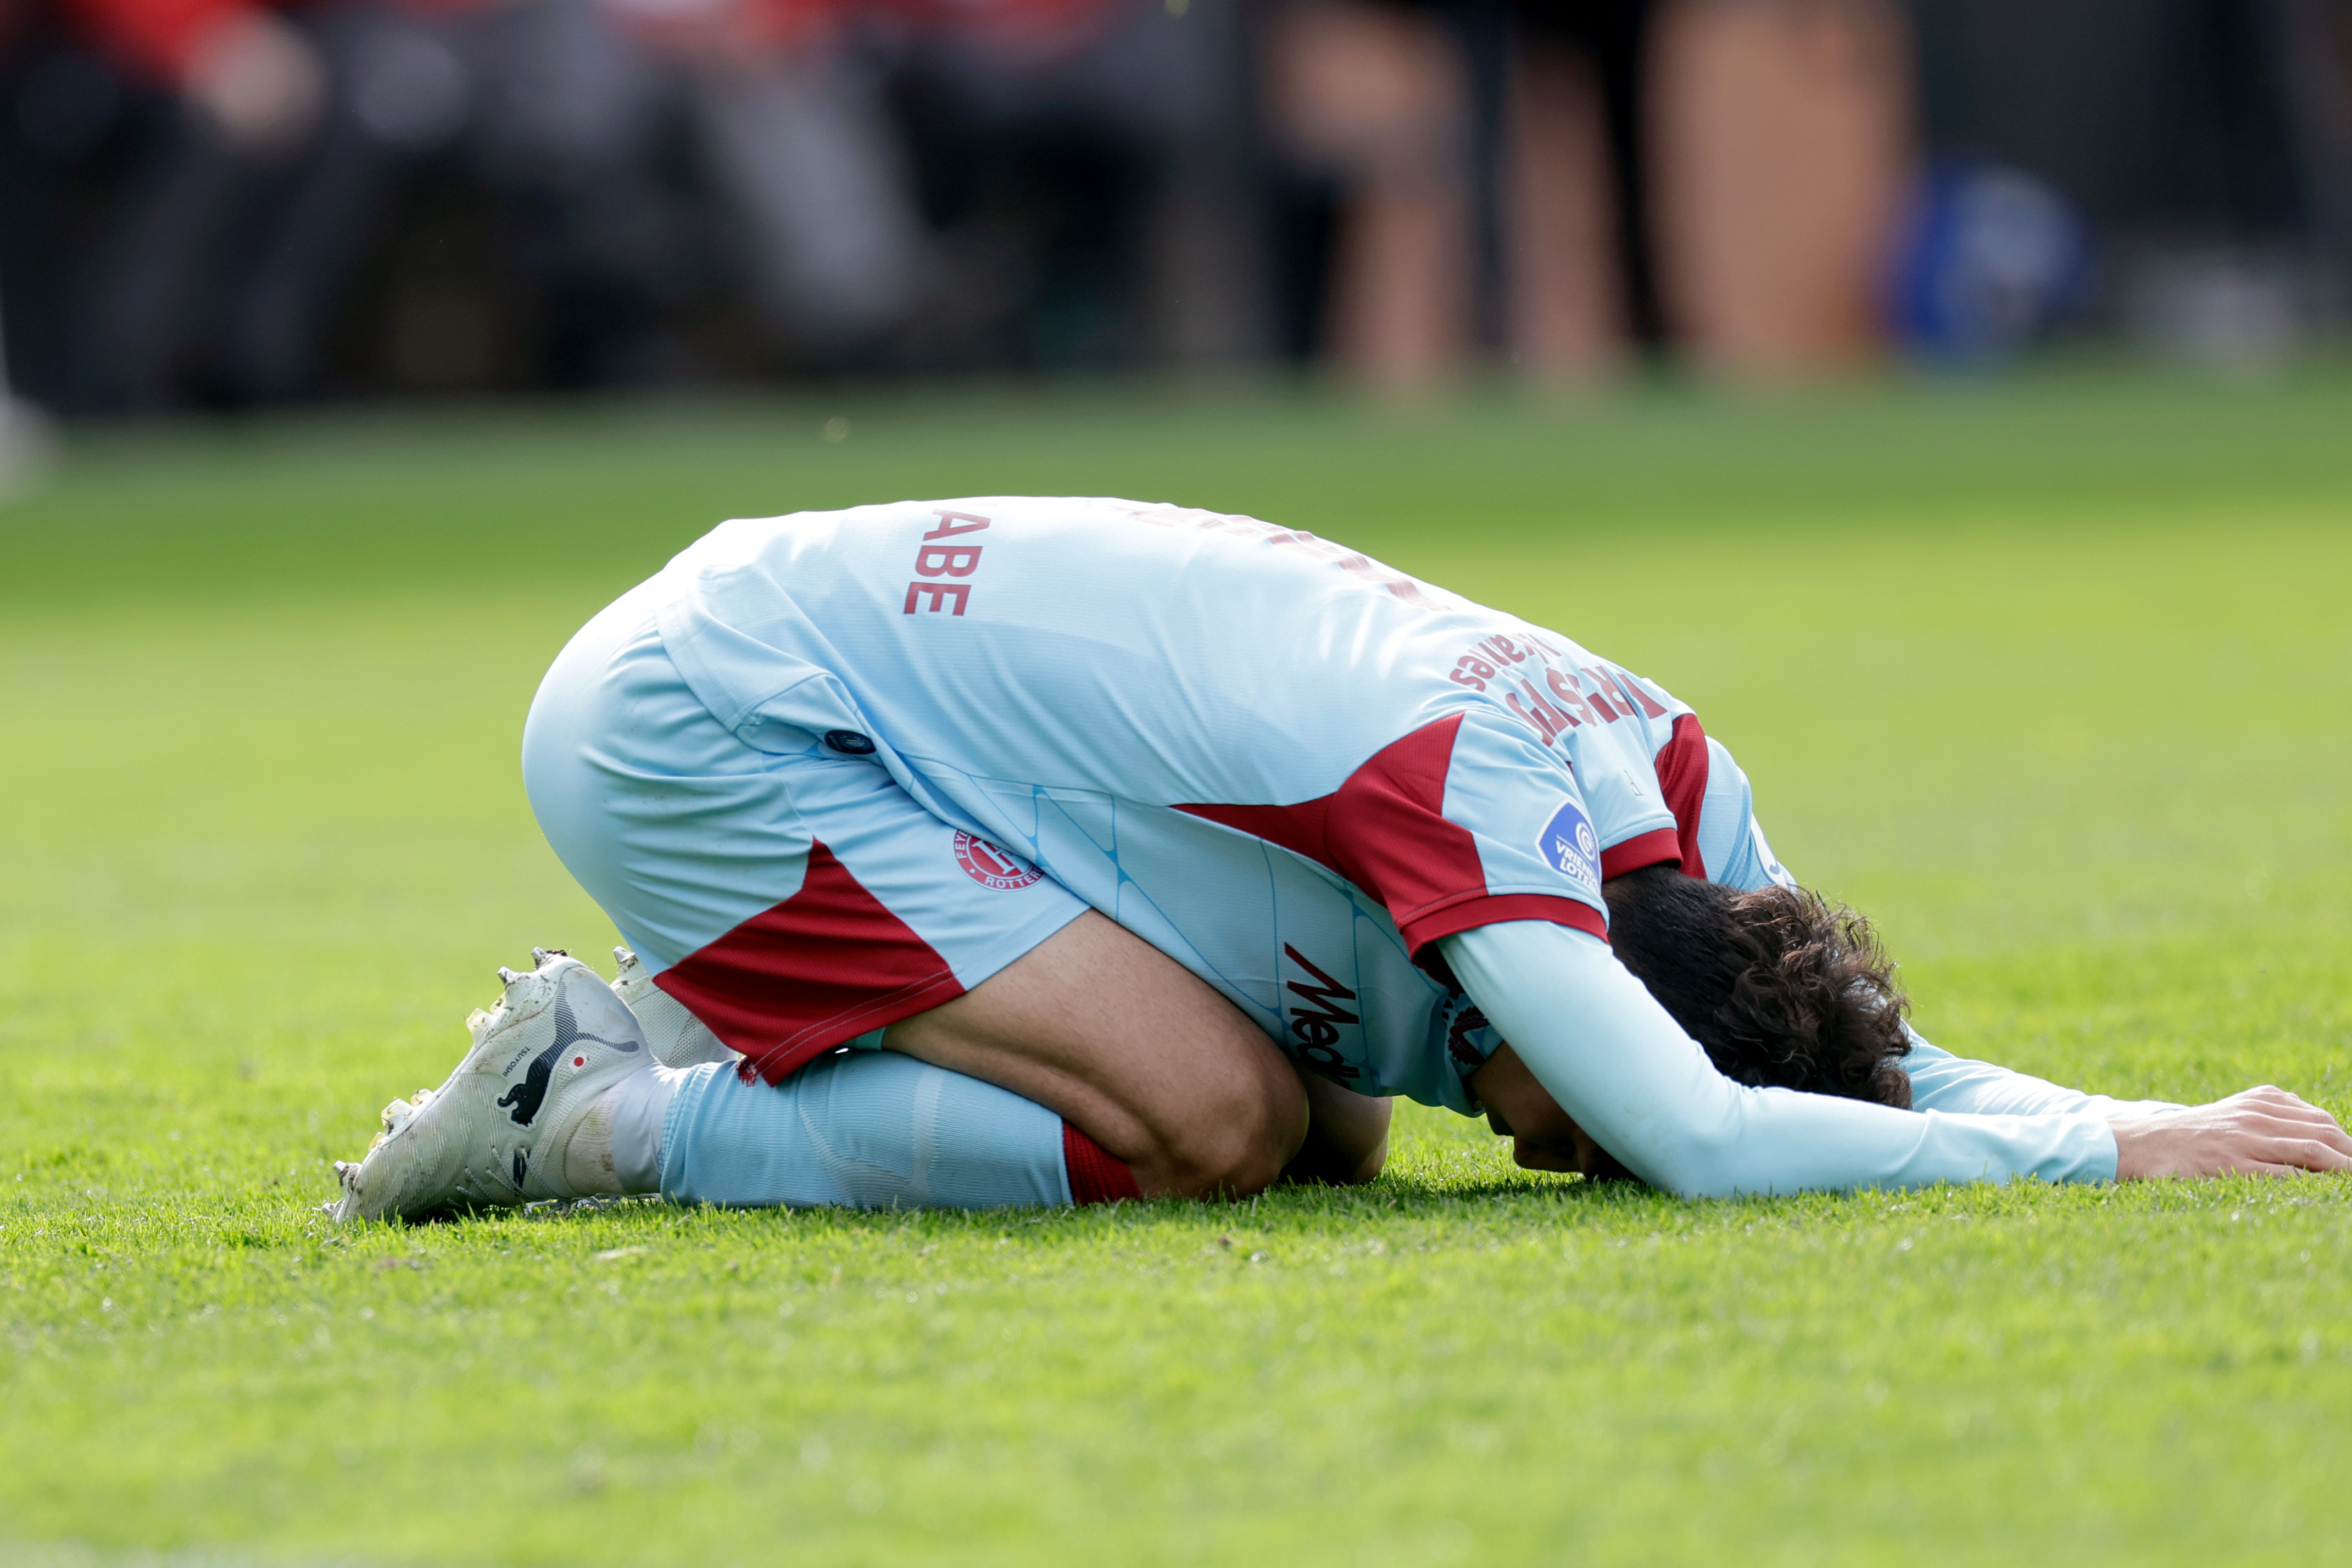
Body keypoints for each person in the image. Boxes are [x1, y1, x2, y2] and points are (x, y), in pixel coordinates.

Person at [330, 496, 2351, 1220]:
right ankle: (585, 1111)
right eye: (1580, 1133)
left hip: (838, 666)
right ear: (1577, 984)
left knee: (1339, 1126)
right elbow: (1722, 1136)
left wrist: (2147, 1110)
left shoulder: (1681, 803)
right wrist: (2094, 1156)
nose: (1548, 1147)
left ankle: (768, 1007)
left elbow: (1818, 1062)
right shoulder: (1471, 810)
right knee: (1212, 1127)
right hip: (704, 717)